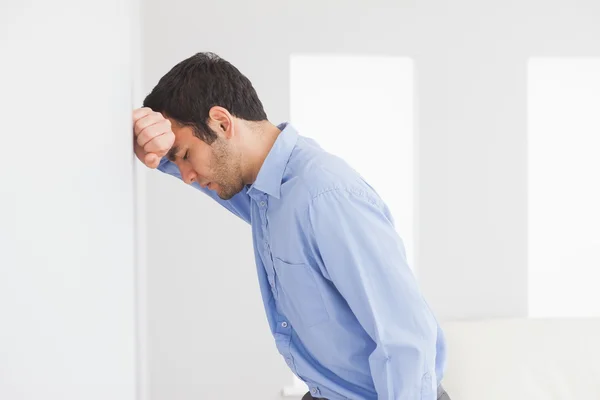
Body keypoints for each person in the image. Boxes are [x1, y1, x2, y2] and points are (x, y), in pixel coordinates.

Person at [132, 52, 449, 400]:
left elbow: (406, 337)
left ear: (222, 123)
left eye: (187, 155)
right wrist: (155, 145)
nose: (187, 176)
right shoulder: (263, 193)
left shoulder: (323, 197)